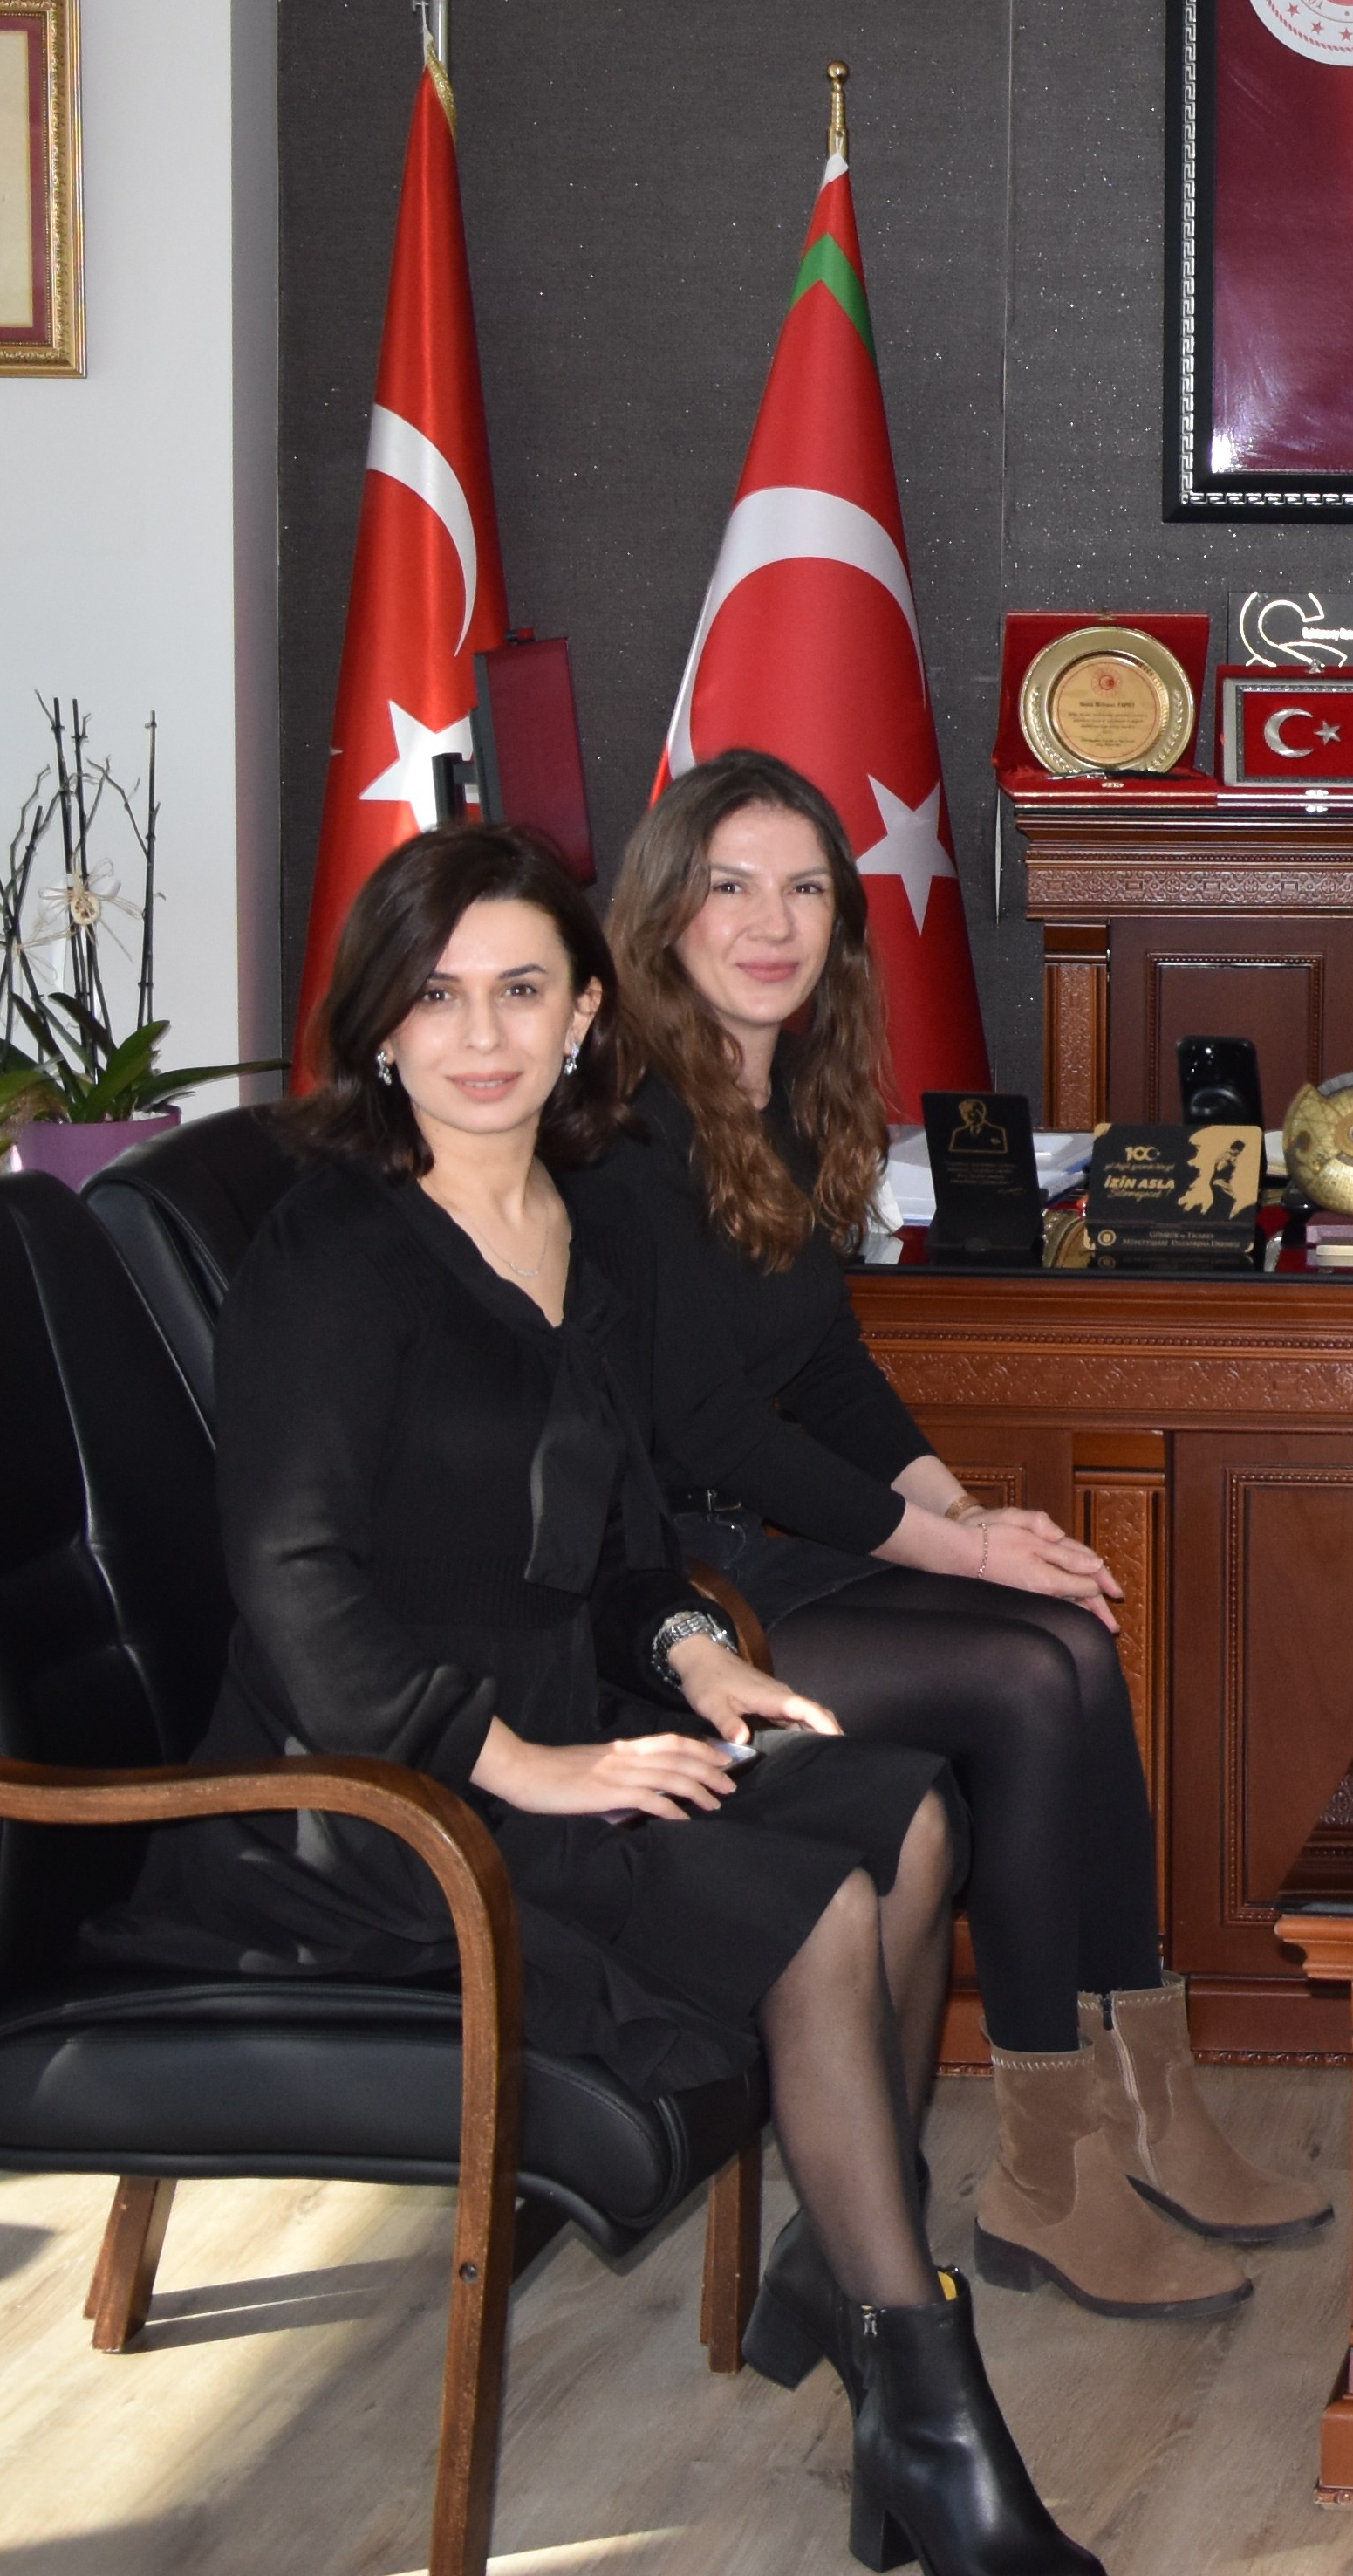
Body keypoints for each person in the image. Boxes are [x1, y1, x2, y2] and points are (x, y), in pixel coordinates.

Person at [94, 826, 1094, 2576]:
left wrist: (699, 1659)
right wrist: (519, 1762)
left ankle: (862, 2292)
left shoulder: (579, 1226)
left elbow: (629, 1542)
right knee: (813, 1906)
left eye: (522, 991)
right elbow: (296, 1584)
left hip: (568, 1709)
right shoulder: (334, 1250)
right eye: (437, 996)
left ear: (582, 1018)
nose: (481, 1036)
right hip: (370, 1790)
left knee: (910, 1814)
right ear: (379, 1026)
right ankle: (930, 2408)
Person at [597, 749, 1321, 2323]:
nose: (773, 924)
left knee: (1070, 1637)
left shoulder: (778, 1100)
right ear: (660, 917)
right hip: (668, 1594)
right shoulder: (628, 1136)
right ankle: (1048, 2168)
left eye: (807, 889)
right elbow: (709, 1429)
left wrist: (965, 1509)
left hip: (762, 1552)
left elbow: (827, 1370)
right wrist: (956, 1554)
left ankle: (1142, 2110)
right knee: (1021, 1673)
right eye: (732, 887)